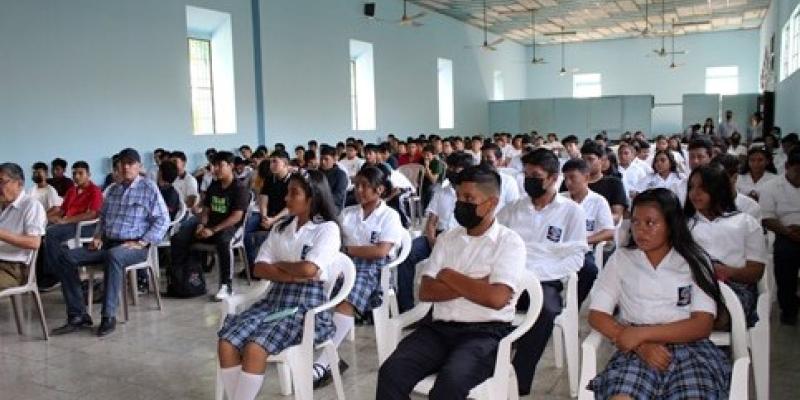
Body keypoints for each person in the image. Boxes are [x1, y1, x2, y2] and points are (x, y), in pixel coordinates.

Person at [376, 165, 526, 400]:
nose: (460, 204)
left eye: (469, 198)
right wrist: (478, 284)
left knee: (449, 385)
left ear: (491, 203)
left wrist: (449, 275)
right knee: (391, 372)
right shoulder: (447, 239)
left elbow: (496, 299)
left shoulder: (509, 242)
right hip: (439, 329)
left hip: (485, 334)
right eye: (458, 197)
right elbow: (426, 291)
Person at [587, 188, 730, 399]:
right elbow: (597, 315)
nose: (640, 230)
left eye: (650, 223)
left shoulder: (695, 261)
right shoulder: (622, 259)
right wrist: (641, 346)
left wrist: (642, 334)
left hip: (690, 348)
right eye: (635, 222)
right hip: (636, 351)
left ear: (671, 225)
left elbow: (702, 325)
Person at [217, 170, 342, 400]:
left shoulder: (327, 229)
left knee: (255, 347)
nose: (286, 199)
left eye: (294, 193)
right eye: (287, 192)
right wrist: (294, 272)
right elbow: (259, 267)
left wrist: (282, 266)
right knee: (226, 343)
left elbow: (310, 270)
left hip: (306, 307)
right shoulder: (281, 227)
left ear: (312, 198)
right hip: (275, 300)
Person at [498, 148, 587, 396]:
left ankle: (518, 380)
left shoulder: (571, 212)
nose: (529, 181)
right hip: (510, 278)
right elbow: (498, 244)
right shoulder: (512, 210)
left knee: (546, 310)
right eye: (526, 175)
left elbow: (576, 257)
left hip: (546, 282)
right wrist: (545, 253)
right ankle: (487, 365)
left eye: (536, 175)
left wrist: (535, 265)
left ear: (553, 178)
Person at [51, 148, 169, 337]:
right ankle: (78, 315)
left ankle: (108, 316)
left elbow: (163, 219)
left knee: (114, 256)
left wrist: (143, 241)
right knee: (65, 257)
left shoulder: (148, 188)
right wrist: (97, 236)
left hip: (133, 246)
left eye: (130, 163)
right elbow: (103, 219)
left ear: (139, 166)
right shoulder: (113, 190)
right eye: (122, 163)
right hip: (107, 243)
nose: (125, 167)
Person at [312, 166, 404, 386]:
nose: (359, 190)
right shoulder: (348, 213)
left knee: (346, 300)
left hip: (373, 271)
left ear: (380, 189)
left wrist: (348, 250)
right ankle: (329, 353)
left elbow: (380, 251)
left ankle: (322, 363)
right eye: (357, 185)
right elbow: (336, 243)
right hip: (344, 265)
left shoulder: (390, 216)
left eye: (365, 186)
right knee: (313, 294)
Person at [685, 165, 766, 328]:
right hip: (691, 284)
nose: (695, 193)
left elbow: (756, 270)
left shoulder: (745, 222)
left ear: (718, 189)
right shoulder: (684, 224)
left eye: (702, 187)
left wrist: (726, 272)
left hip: (732, 288)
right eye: (691, 187)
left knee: (716, 311)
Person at [395, 152, 472, 313]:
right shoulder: (441, 192)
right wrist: (433, 240)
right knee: (407, 253)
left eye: (456, 168)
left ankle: (446, 309)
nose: (451, 171)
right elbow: (431, 222)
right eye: (449, 168)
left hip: (461, 240)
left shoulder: (472, 195)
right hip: (437, 237)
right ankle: (406, 307)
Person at [170, 151, 249, 302]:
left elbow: (236, 217)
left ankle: (227, 285)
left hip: (231, 228)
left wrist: (212, 230)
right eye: (215, 165)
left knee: (223, 241)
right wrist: (201, 224)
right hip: (210, 225)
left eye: (220, 165)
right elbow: (206, 210)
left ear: (231, 166)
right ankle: (183, 280)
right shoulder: (214, 185)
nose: (216, 169)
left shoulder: (239, 188)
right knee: (180, 237)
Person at [42, 161, 103, 291]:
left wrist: (66, 220)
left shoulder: (95, 191)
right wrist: (48, 218)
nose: (76, 176)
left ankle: (54, 275)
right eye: (74, 173)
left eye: (80, 173)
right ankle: (46, 272)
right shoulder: (72, 191)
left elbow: (93, 214)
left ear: (89, 174)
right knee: (42, 229)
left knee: (51, 233)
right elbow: (62, 210)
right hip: (70, 224)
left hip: (86, 227)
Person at [562, 158, 615, 306]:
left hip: (582, 250)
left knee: (590, 270)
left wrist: (584, 241)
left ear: (586, 177)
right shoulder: (560, 200)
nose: (568, 182)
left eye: (572, 177)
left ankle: (572, 306)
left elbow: (609, 232)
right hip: (557, 249)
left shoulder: (598, 202)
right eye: (565, 178)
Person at [759, 147, 800, 325]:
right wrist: (788, 231)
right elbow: (767, 217)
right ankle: (788, 307)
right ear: (787, 167)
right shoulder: (771, 187)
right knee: (785, 258)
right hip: (784, 232)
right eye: (797, 171)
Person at [0, 163, 46, 291]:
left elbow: (34, 242)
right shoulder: (3, 205)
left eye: (2, 182)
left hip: (14, 269)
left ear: (19, 183)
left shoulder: (31, 206)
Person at [579, 141, 628, 224]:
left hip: (602, 231)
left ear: (601, 160)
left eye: (590, 159)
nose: (586, 163)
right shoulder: (573, 182)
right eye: (583, 159)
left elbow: (616, 216)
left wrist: (588, 222)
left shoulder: (614, 183)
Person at [713, 154, 762, 220]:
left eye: (720, 178)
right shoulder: (705, 203)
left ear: (735, 177)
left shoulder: (751, 207)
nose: (715, 182)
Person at [481, 143, 521, 213]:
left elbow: (513, 208)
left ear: (499, 161)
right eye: (482, 157)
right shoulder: (475, 179)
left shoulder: (508, 181)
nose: (484, 160)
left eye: (488, 157)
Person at [319, 145, 348, 213]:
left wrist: (320, 200)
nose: (323, 162)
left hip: (333, 207)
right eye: (321, 159)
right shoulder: (317, 173)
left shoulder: (341, 175)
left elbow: (338, 197)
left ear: (334, 160)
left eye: (326, 159)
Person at [420, 145, 444, 209]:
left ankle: (428, 210)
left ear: (433, 155)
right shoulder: (421, 161)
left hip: (436, 184)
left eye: (428, 155)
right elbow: (420, 174)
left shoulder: (437, 163)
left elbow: (433, 180)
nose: (425, 157)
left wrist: (427, 167)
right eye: (424, 154)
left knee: (430, 189)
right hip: (423, 182)